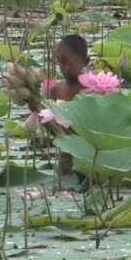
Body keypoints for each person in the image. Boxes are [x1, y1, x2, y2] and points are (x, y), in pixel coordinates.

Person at [45, 34, 89, 175]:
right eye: (61, 63)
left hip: (90, 150)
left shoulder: (93, 90)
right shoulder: (55, 90)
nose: (66, 68)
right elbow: (52, 125)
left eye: (71, 62)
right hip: (66, 151)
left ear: (85, 61)